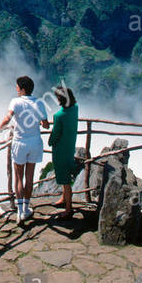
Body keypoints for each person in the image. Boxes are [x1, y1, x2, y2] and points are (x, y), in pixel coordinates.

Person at [0, 75, 48, 224]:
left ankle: (20, 211)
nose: (16, 89)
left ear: (23, 89)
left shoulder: (15, 102)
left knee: (18, 177)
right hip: (35, 142)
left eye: (17, 87)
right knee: (29, 177)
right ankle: (27, 209)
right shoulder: (39, 103)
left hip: (20, 143)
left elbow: (8, 118)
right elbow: (46, 124)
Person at [49, 85, 80, 219]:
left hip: (60, 149)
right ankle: (63, 199)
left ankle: (68, 209)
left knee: (65, 179)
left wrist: (50, 142)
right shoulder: (75, 109)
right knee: (66, 174)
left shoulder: (59, 116)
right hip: (70, 146)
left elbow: (55, 134)